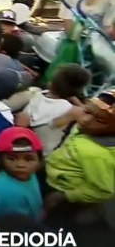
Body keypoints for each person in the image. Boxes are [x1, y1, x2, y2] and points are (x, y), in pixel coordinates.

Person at [44, 90, 115, 219]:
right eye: (87, 111)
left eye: (99, 120)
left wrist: (65, 196)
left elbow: (104, 191)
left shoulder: (97, 155)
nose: (85, 120)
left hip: (61, 191)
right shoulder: (86, 129)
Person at [0, 127, 43, 235]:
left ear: (39, 161)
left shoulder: (27, 175)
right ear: (1, 160)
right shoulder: (9, 194)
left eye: (29, 159)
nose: (21, 165)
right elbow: (15, 232)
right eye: (12, 158)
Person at [22, 65, 90, 155]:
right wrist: (78, 102)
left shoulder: (35, 94)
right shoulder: (73, 111)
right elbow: (88, 112)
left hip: (23, 143)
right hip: (45, 154)